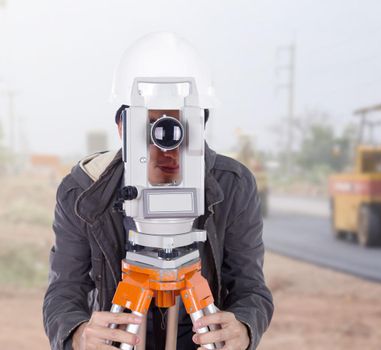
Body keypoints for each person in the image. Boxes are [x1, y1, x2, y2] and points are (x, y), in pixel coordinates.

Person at [43, 32, 273, 350]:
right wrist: (80, 336)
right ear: (123, 127)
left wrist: (244, 329)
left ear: (200, 125)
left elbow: (251, 288)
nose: (168, 146)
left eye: (180, 128)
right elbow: (63, 292)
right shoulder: (83, 192)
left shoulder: (233, 184)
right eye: (153, 128)